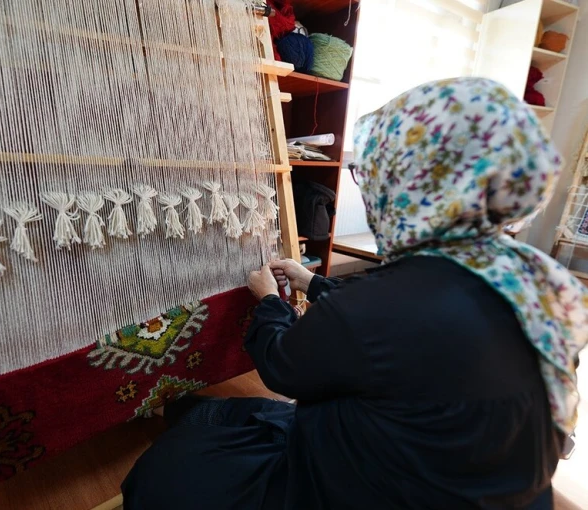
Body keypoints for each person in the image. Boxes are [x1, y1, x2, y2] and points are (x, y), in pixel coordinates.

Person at [121, 78, 588, 509]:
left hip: (383, 494)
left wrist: (269, 301)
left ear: (409, 182)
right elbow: (407, 326)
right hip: (494, 484)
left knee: (165, 471)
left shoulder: (386, 303)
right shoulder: (540, 280)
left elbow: (284, 367)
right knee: (237, 418)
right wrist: (312, 282)